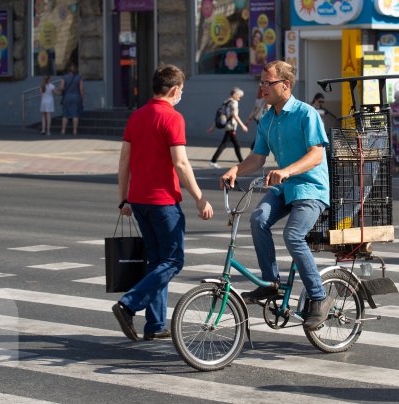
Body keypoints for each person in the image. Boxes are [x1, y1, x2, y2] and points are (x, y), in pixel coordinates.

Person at [220, 60, 333, 331]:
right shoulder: (268, 119)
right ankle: (272, 285)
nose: (262, 88)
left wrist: (287, 170)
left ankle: (319, 297)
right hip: (284, 187)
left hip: (310, 188)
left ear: (285, 85)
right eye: (261, 83)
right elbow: (258, 157)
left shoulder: (306, 114)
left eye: (267, 83)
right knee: (258, 218)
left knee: (293, 235)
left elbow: (317, 153)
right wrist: (236, 168)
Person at [113, 64, 214, 342]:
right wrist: (199, 197)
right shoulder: (172, 118)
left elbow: (124, 161)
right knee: (172, 261)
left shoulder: (137, 116)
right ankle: (129, 304)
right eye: (181, 91)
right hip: (163, 202)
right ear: (175, 90)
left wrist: (123, 197)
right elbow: (180, 163)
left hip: (139, 201)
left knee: (157, 262)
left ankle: (155, 325)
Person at [208, 87, 248, 168]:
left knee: (233, 144)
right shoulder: (234, 103)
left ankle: (214, 161)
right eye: (239, 96)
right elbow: (234, 115)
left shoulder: (226, 102)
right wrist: (242, 125)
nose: (240, 98)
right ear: (235, 95)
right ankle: (213, 161)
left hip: (227, 126)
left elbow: (220, 116)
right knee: (228, 144)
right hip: (231, 126)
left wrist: (213, 127)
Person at [60, 64, 84, 135]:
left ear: (68, 70)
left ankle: (63, 130)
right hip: (76, 97)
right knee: (75, 114)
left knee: (65, 115)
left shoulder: (64, 77)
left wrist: (61, 91)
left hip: (67, 97)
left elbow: (61, 87)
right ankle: (75, 130)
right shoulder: (79, 77)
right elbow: (81, 89)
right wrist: (82, 98)